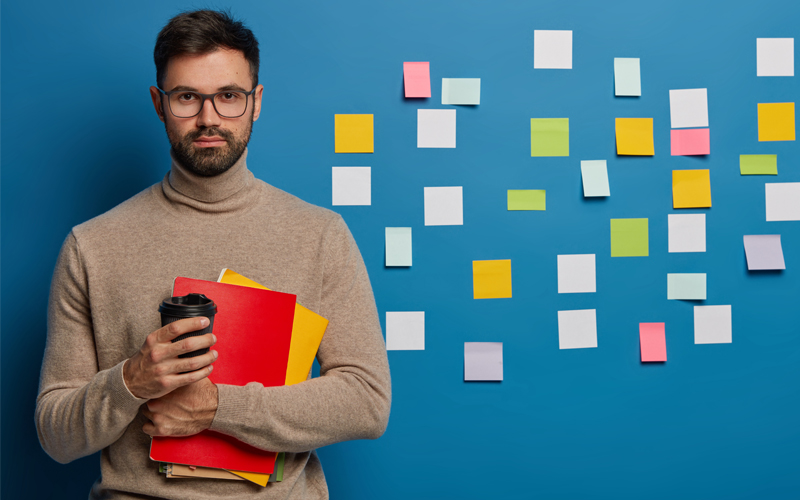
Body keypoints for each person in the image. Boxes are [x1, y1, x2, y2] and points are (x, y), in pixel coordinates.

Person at [35, 9, 391, 499]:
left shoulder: (321, 235)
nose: (208, 118)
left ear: (256, 102)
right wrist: (131, 382)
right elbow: (55, 435)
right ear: (159, 104)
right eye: (187, 97)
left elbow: (367, 401)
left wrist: (219, 408)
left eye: (228, 96)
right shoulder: (91, 245)